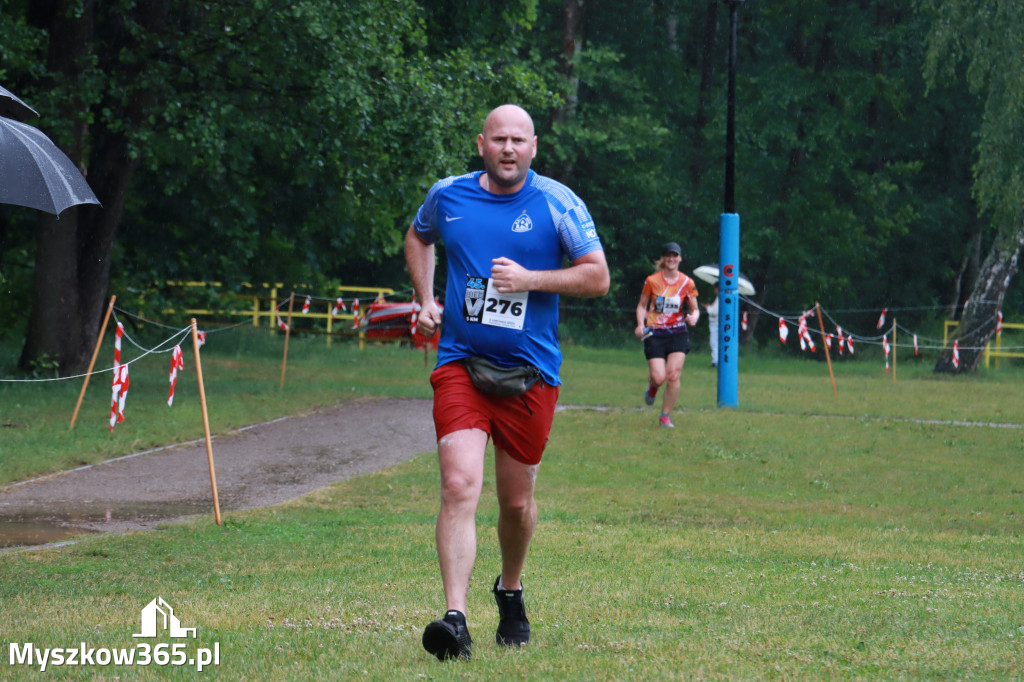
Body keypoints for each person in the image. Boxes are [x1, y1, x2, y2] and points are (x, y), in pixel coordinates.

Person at [404, 104, 610, 661]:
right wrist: (426, 299)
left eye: (519, 140)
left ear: (534, 147)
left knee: (515, 505)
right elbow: (418, 236)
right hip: (461, 365)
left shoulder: (557, 203)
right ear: (481, 144)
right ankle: (455, 619)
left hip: (530, 376)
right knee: (458, 485)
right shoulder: (448, 195)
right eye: (499, 139)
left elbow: (598, 275)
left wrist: (531, 279)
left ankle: (510, 589)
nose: (509, 149)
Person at [634, 241, 699, 428]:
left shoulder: (687, 282)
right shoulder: (652, 281)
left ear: (680, 258)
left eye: (675, 255)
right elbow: (641, 306)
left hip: (678, 332)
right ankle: (653, 387)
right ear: (664, 258)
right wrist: (640, 325)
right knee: (659, 377)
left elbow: (695, 309)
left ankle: (665, 416)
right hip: (654, 332)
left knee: (673, 375)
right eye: (668, 255)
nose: (671, 259)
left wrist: (693, 317)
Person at [705, 283, 719, 367]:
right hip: (716, 323)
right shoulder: (719, 298)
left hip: (716, 324)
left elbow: (713, 312)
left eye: (715, 289)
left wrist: (708, 308)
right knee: (716, 343)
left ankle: (716, 361)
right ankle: (717, 360)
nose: (714, 291)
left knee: (714, 343)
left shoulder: (720, 298)